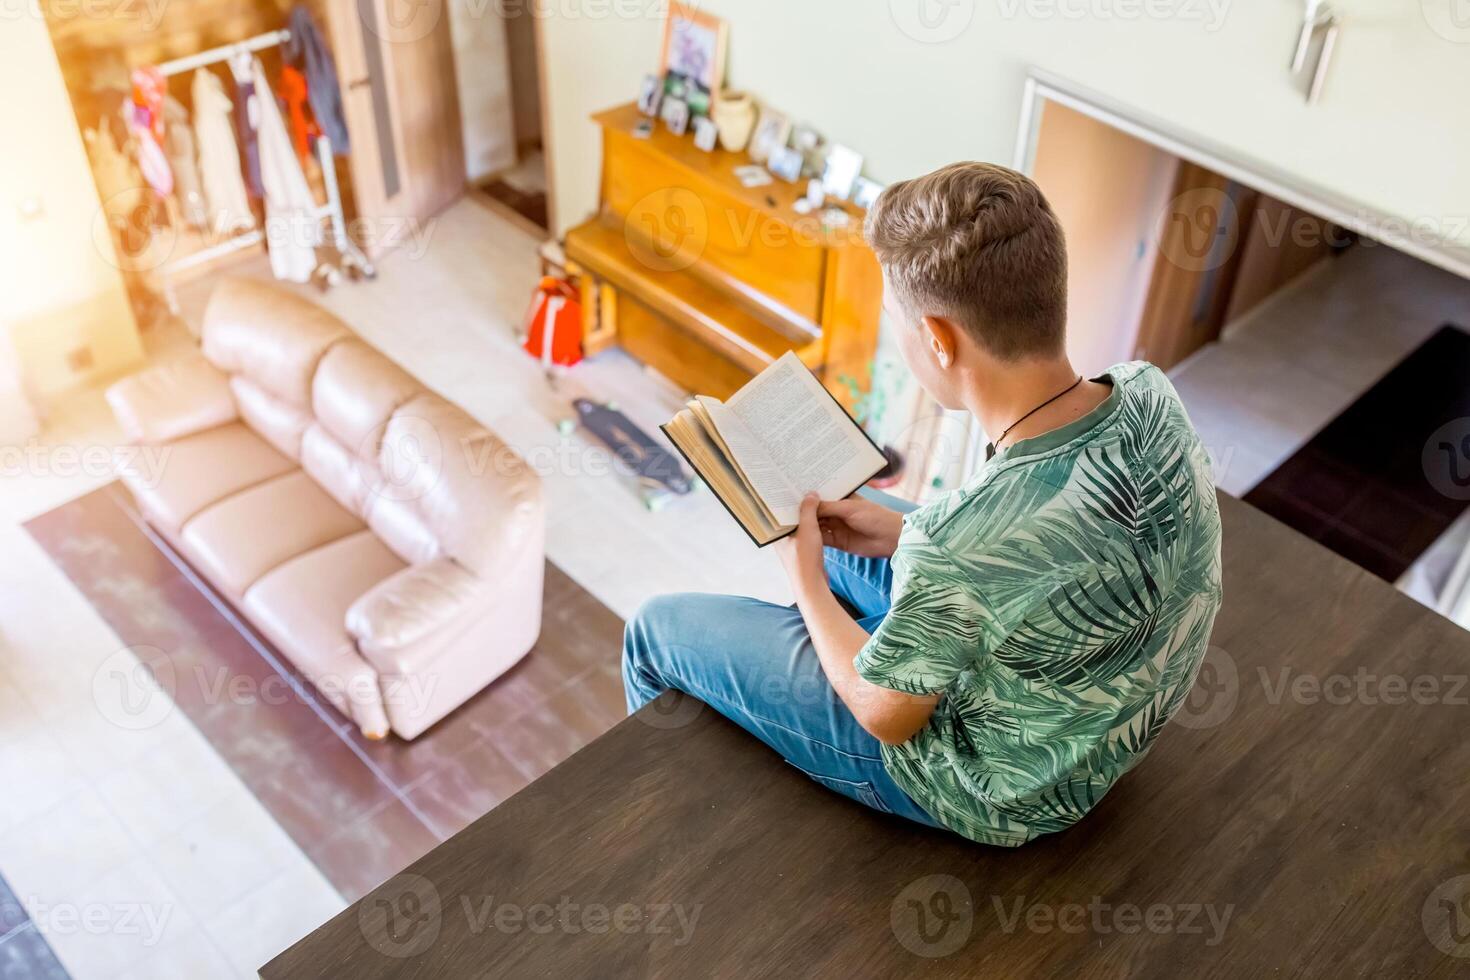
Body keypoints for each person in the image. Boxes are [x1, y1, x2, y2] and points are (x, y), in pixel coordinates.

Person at [622, 162, 1223, 846]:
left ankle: (671, 836)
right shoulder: (1147, 390)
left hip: (1003, 791)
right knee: (858, 518)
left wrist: (807, 582)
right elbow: (1038, 544)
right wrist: (904, 529)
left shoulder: (960, 543)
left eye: (898, 325)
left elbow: (887, 715)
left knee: (655, 629)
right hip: (1107, 724)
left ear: (938, 339)